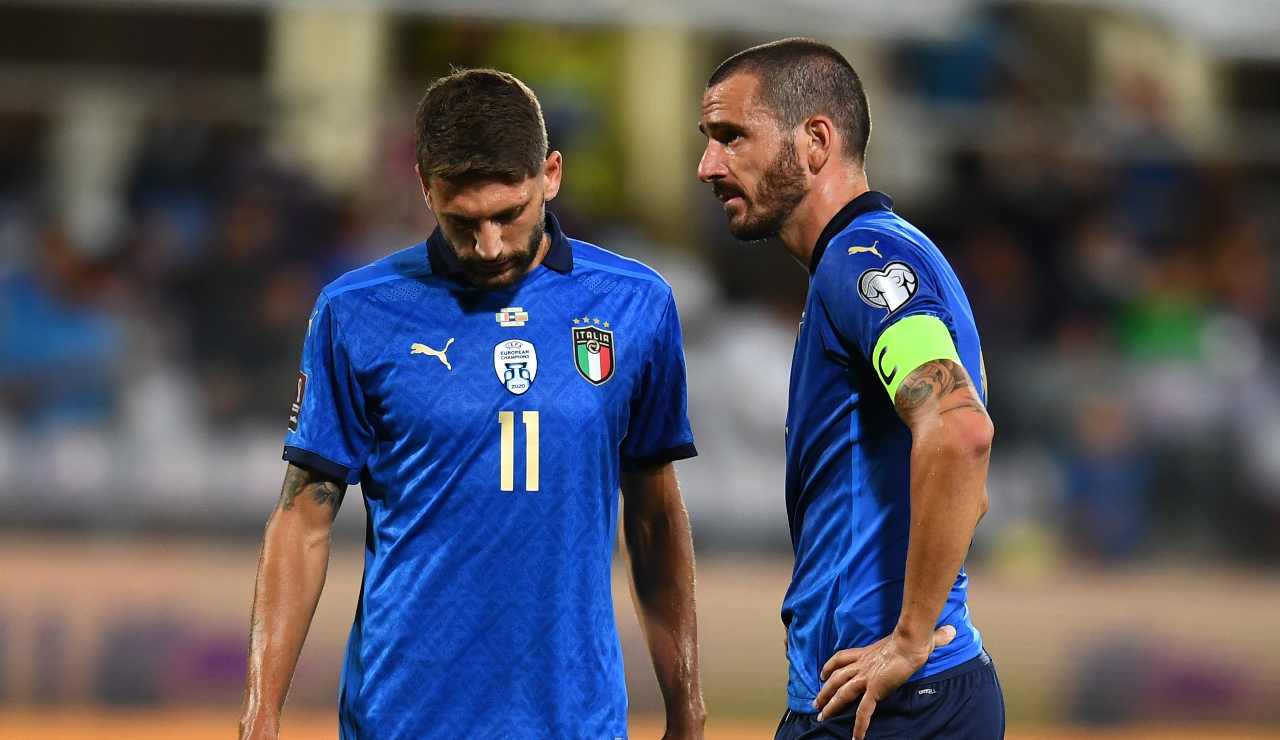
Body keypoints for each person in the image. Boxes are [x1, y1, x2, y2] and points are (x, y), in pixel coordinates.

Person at [239, 68, 705, 740]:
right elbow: (303, 517)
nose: (489, 246)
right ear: (426, 188)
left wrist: (686, 704)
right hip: (400, 718)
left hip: (573, 720)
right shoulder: (356, 311)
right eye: (463, 222)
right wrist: (261, 711)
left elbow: (655, 519)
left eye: (508, 215)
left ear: (551, 175)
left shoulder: (635, 304)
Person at [697, 39, 1003, 740]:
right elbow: (968, 484)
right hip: (904, 695)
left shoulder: (864, 259)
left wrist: (911, 638)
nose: (708, 165)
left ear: (815, 141)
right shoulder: (888, 257)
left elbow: (959, 430)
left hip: (884, 703)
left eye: (731, 136)